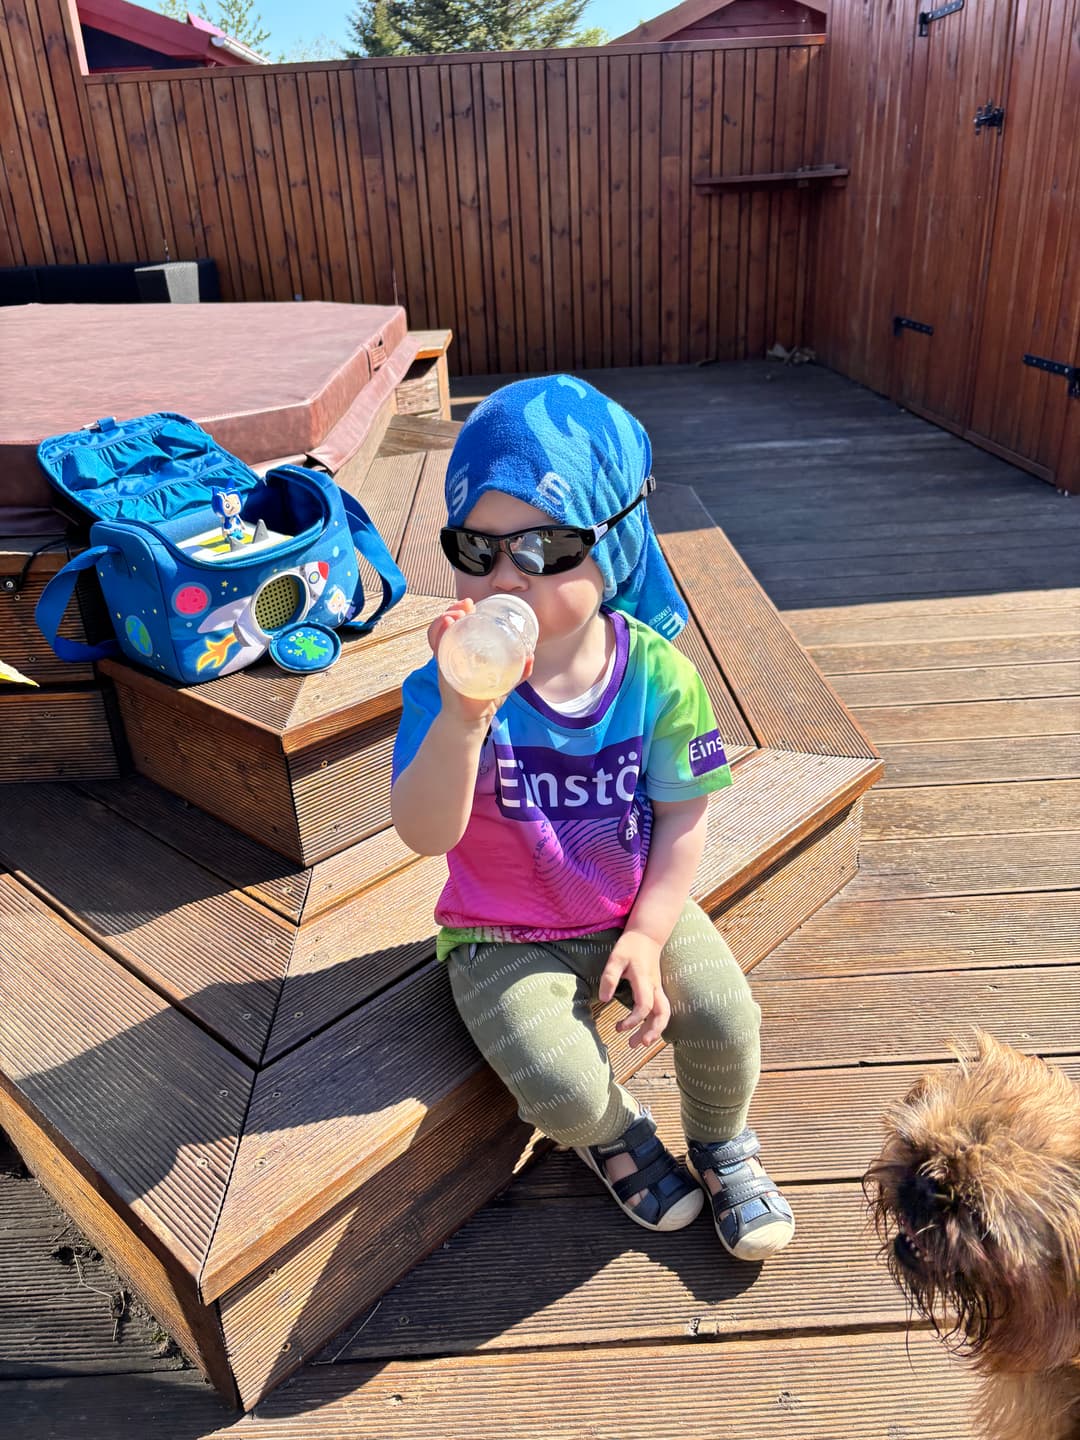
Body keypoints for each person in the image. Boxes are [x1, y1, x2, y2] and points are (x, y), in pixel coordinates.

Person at [391, 375, 794, 1260]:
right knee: (559, 1084)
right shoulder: (445, 687)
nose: (505, 576)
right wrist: (461, 720)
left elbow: (682, 819)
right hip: (500, 931)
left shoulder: (656, 676)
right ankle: (616, 1133)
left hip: (627, 902)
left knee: (726, 1017)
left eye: (545, 547)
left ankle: (721, 1142)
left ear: (614, 546)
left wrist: (648, 933)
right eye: (477, 547)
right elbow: (424, 835)